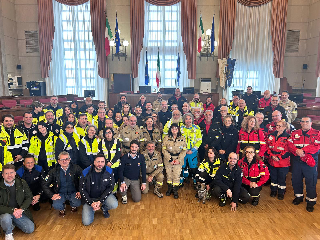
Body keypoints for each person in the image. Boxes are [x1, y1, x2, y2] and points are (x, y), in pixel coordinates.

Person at [288, 117, 320, 212]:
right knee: (296, 180)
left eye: (307, 122)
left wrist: (303, 151)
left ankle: (310, 202)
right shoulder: (294, 133)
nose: (305, 123)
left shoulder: (317, 133)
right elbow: (290, 144)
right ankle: (298, 197)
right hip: (297, 160)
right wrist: (296, 151)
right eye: (303, 122)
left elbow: (317, 146)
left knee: (311, 182)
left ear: (311, 123)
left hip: (310, 161)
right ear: (300, 123)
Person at [80, 154, 118, 225]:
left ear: (105, 163)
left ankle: (103, 207)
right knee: (86, 222)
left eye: (102, 162)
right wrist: (91, 203)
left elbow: (110, 187)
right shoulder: (85, 172)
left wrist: (100, 201)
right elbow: (82, 190)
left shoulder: (109, 171)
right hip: (90, 198)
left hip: (102, 196)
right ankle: (93, 208)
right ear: (94, 162)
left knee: (114, 204)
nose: (100, 164)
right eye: (98, 162)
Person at [42, 151, 82, 217]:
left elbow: (84, 180)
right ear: (58, 161)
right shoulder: (53, 171)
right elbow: (44, 184)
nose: (64, 161)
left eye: (66, 159)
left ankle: (73, 206)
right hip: (60, 193)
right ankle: (61, 209)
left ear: (69, 160)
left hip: (73, 192)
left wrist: (80, 191)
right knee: (56, 205)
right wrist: (51, 195)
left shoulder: (76, 168)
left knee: (77, 203)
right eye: (62, 160)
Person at [0, 164, 35, 239]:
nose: (9, 175)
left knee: (30, 229)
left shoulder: (22, 183)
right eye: (6, 173)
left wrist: (21, 209)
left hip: (19, 212)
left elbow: (29, 197)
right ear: (2, 175)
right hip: (5, 213)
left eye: (11, 172)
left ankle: (11, 223)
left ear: (15, 173)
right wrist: (12, 210)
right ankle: (8, 233)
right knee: (6, 218)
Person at [266, 120, 291, 200]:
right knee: (273, 177)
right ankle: (273, 190)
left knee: (281, 178)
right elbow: (267, 147)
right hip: (272, 161)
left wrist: (279, 157)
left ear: (284, 127)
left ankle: (281, 192)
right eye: (277, 125)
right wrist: (271, 155)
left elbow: (288, 150)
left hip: (283, 162)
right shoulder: (271, 135)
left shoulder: (288, 137)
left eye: (280, 126)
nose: (277, 127)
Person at [162, 123, 187, 199]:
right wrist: (170, 159)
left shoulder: (182, 138)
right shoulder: (166, 138)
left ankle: (175, 190)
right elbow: (163, 149)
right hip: (168, 158)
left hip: (178, 159)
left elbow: (184, 151)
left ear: (178, 130)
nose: (174, 130)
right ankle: (169, 189)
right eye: (172, 129)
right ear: (170, 130)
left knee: (176, 175)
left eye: (176, 129)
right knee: (169, 175)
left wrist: (178, 160)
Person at [180, 113, 202, 185]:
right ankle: (182, 179)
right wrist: (183, 149)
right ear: (184, 120)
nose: (188, 120)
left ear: (192, 119)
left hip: (193, 152)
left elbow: (199, 141)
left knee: (193, 166)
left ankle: (195, 181)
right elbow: (177, 140)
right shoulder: (181, 129)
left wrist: (192, 150)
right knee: (183, 166)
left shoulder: (196, 129)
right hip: (183, 151)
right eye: (186, 119)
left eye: (190, 118)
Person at [98, 127, 121, 194]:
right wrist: (106, 162)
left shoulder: (117, 142)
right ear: (104, 134)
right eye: (106, 133)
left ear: (112, 133)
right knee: (106, 179)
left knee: (115, 179)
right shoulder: (101, 142)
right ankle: (107, 193)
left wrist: (111, 162)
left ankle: (114, 192)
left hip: (115, 165)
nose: (108, 134)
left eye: (110, 132)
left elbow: (118, 153)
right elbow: (101, 154)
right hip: (105, 166)